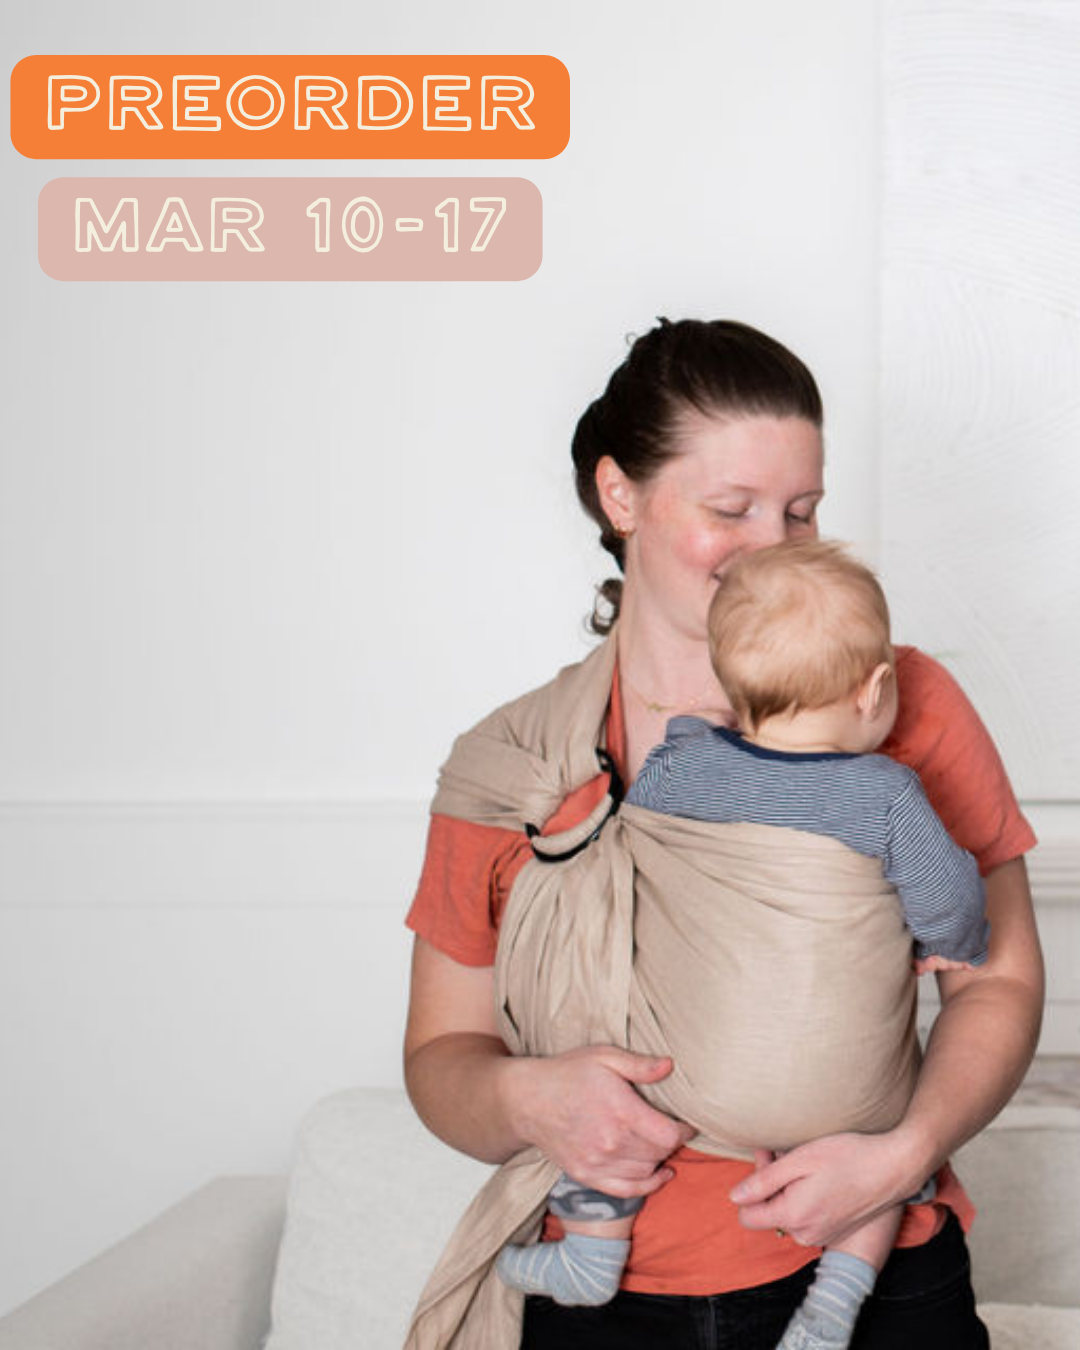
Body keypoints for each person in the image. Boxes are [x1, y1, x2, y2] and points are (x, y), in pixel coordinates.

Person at [403, 318, 1043, 1350]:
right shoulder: (513, 767)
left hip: (876, 1272)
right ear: (622, 497)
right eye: (730, 509)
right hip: (606, 1301)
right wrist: (532, 1098)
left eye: (802, 511)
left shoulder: (900, 703)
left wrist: (903, 1150)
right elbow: (441, 1058)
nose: (774, 548)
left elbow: (997, 977)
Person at [495, 538, 990, 1350]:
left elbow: (639, 864)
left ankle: (590, 1247)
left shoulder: (680, 762)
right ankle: (836, 1299)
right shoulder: (888, 793)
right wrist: (948, 941)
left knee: (603, 1067)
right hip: (839, 1104)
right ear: (874, 692)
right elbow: (952, 904)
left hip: (688, 1084)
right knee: (886, 1141)